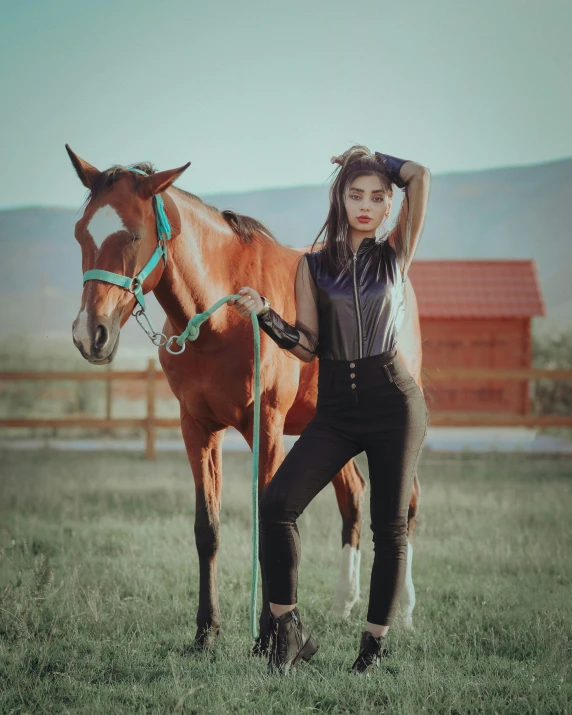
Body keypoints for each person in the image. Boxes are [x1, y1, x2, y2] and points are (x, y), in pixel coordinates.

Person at [228, 145, 431, 674]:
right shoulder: (313, 267)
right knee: (277, 504)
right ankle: (289, 628)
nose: (366, 205)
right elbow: (306, 346)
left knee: (388, 526)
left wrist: (370, 157)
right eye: (355, 194)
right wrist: (266, 315)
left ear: (389, 207)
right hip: (337, 409)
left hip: (395, 404)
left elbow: (421, 175)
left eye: (377, 197)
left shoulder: (396, 254)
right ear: (340, 200)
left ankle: (372, 646)